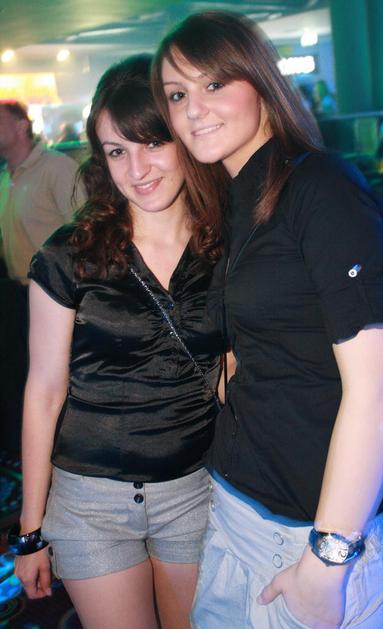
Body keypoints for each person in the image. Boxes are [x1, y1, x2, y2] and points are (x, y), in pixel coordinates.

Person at [152, 11, 383, 628]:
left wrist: (328, 558)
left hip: (306, 540)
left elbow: (379, 387)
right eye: (177, 95)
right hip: (235, 511)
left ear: (261, 81)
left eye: (214, 84)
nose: (193, 110)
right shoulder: (234, 200)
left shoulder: (320, 186)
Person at [12, 55, 223, 629]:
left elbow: (234, 372)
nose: (138, 169)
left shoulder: (225, 247)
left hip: (195, 489)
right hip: (91, 503)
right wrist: (30, 529)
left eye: (152, 143)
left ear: (183, 138)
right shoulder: (70, 254)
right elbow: (44, 392)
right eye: (116, 151)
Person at [0, 100, 85, 455]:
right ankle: (26, 453)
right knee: (23, 378)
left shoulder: (56, 168)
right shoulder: (7, 176)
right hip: (16, 294)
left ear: (21, 126)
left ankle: (62, 453)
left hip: (57, 297)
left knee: (57, 380)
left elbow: (85, 228)